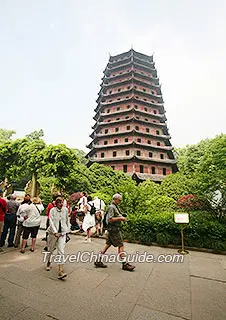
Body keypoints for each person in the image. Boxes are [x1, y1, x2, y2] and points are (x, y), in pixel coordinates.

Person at [94, 193, 135, 271]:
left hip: (112, 230)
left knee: (107, 245)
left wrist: (121, 215)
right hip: (114, 230)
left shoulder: (114, 207)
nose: (120, 202)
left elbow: (114, 216)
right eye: (119, 200)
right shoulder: (111, 207)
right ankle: (124, 264)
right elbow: (110, 219)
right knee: (121, 245)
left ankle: (98, 260)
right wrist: (121, 218)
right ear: (115, 199)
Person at [45, 196, 70, 280]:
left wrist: (67, 230)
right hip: (53, 233)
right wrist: (55, 232)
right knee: (51, 249)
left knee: (61, 251)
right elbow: (51, 222)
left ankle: (60, 271)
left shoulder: (65, 210)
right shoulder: (52, 210)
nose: (61, 204)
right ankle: (48, 262)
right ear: (56, 204)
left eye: (62, 202)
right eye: (59, 202)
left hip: (62, 233)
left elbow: (67, 220)